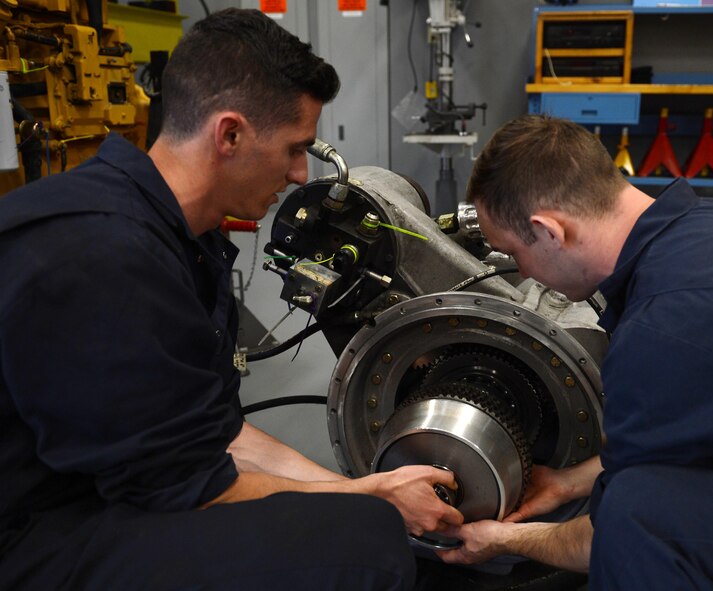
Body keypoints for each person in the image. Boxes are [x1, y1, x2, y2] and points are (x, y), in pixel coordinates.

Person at [0, 9, 462, 590]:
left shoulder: (171, 232)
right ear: (230, 134)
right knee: (367, 544)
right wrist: (369, 500)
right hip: (33, 534)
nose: (300, 175)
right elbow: (189, 487)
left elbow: (216, 432)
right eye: (294, 149)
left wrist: (347, 489)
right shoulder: (103, 252)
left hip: (90, 490)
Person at [436, 114, 713, 589]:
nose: (523, 271)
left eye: (515, 254)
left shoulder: (670, 326)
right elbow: (691, 434)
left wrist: (504, 540)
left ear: (550, 232)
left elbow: (606, 535)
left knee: (634, 518)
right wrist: (568, 483)